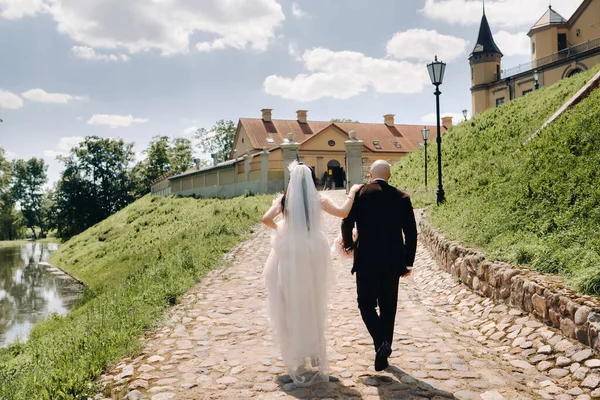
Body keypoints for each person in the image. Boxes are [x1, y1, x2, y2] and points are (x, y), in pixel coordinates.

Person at [261, 161, 362, 386]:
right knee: (314, 302)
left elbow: (266, 219)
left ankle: (297, 358)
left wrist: (284, 231)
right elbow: (343, 212)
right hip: (313, 254)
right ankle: (316, 354)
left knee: (291, 305)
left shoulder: (284, 200)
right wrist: (353, 191)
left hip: (290, 256)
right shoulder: (318, 199)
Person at [341, 160, 417, 372]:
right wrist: (408, 261)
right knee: (388, 307)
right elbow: (411, 232)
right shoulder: (402, 197)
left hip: (366, 259)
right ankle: (384, 351)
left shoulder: (361, 194)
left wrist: (348, 245)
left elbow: (346, 221)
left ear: (371, 175)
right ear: (389, 176)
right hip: (393, 262)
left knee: (365, 303)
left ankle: (380, 342)